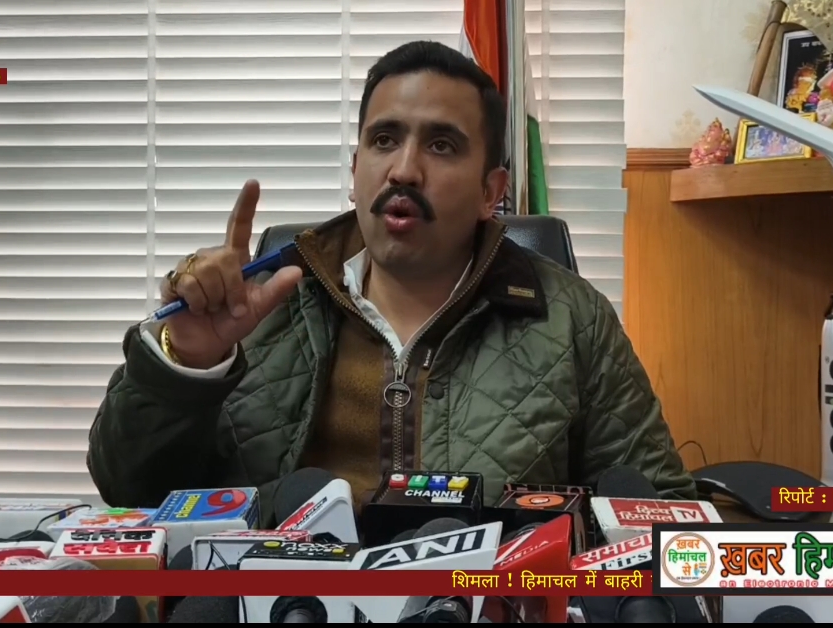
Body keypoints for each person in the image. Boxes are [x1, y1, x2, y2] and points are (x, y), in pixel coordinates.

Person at [88, 41, 695, 524]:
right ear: (356, 171)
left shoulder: (571, 319)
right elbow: (130, 492)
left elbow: (660, 511)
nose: (404, 169)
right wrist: (189, 366)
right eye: (384, 140)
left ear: (490, 191)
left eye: (441, 145)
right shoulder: (261, 306)